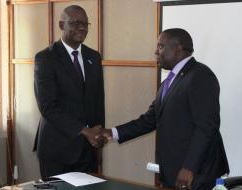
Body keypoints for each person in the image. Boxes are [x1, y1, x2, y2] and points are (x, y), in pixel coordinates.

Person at [102, 28, 229, 190]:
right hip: (173, 171)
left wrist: (189, 168)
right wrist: (111, 133)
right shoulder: (168, 82)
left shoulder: (200, 76)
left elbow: (206, 127)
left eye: (161, 46)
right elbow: (150, 119)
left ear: (177, 48)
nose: (156, 51)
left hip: (198, 174)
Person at [33, 5, 105, 179]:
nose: (81, 27)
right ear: (61, 25)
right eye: (75, 23)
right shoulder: (46, 58)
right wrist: (84, 130)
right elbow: (47, 107)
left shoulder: (93, 57)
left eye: (85, 23)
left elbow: (98, 100)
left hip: (88, 149)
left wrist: (98, 135)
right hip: (56, 149)